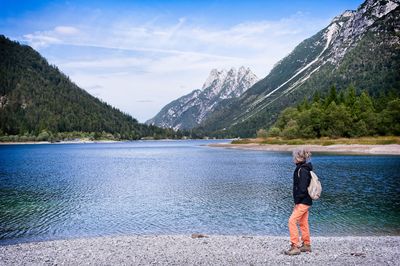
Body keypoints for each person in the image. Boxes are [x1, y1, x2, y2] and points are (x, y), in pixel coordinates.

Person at [284, 148, 313, 256]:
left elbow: (302, 188)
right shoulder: (302, 168)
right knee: (303, 222)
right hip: (305, 201)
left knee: (292, 221)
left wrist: (298, 201)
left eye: (294, 156)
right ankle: (306, 245)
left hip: (303, 201)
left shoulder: (303, 170)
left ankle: (294, 246)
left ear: (299, 157)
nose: (293, 158)